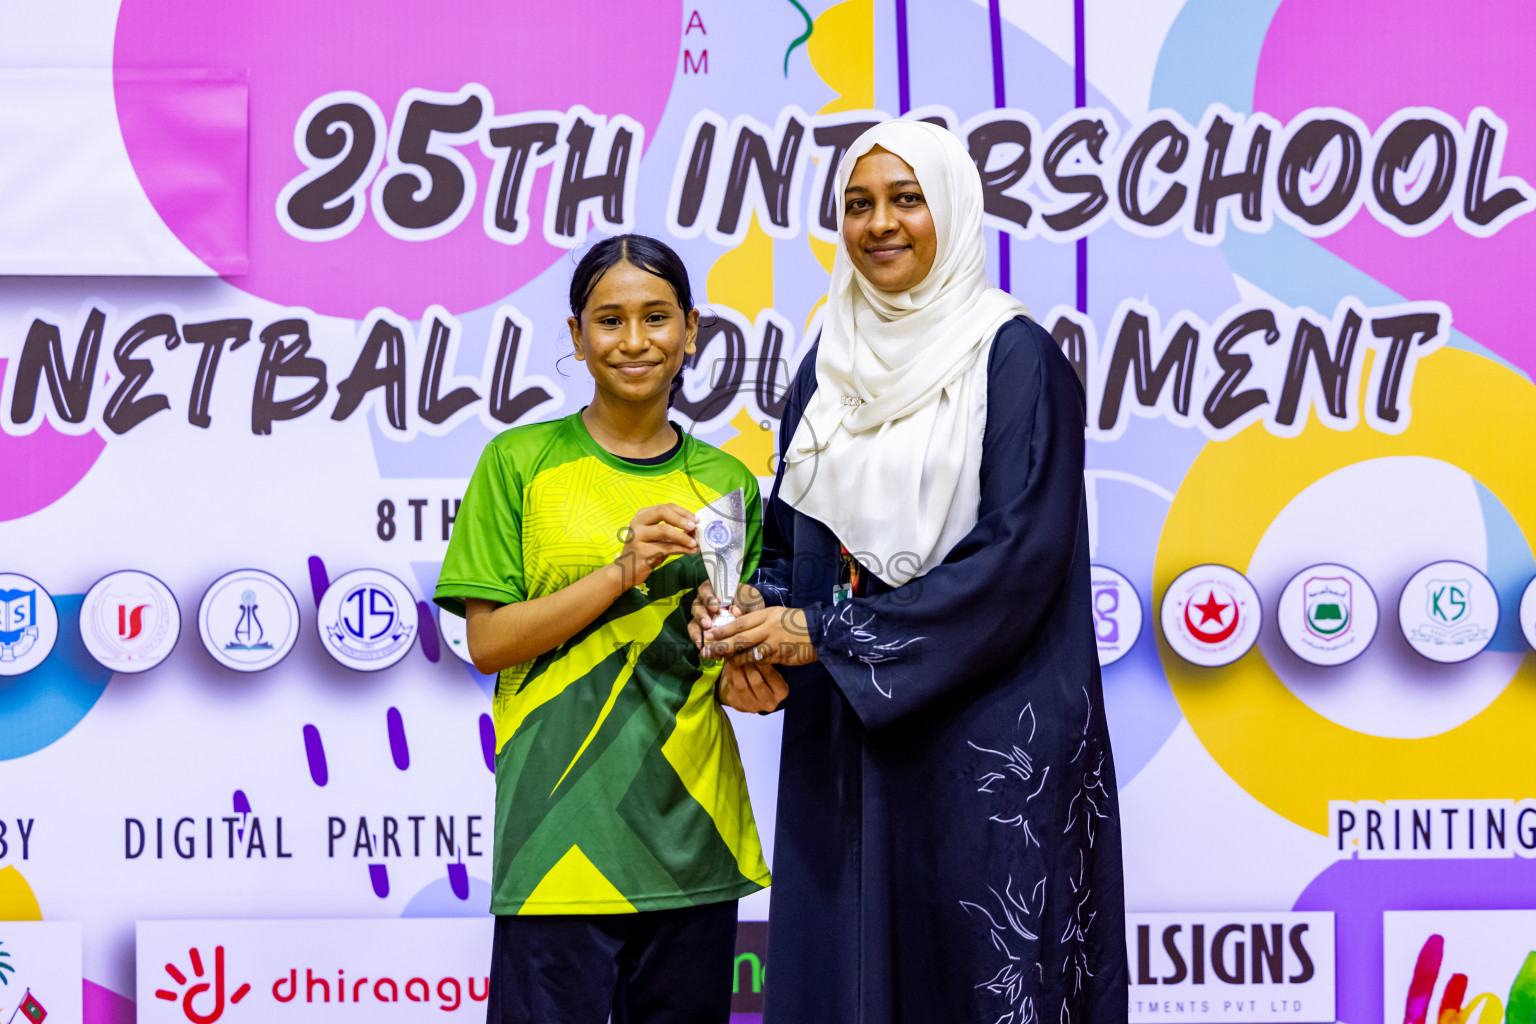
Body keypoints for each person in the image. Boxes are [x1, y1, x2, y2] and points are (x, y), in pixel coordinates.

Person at [694, 120, 1128, 1023]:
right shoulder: (827, 368)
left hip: (985, 746)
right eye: (858, 204)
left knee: (975, 977)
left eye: (906, 199)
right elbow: (799, 547)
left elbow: (1017, 561)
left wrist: (819, 635)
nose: (880, 224)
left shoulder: (1015, 359)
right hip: (850, 741)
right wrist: (749, 624)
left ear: (955, 210)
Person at [435, 234, 771, 1024]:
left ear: (692, 330)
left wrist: (757, 668)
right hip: (555, 841)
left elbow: (730, 674)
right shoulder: (518, 461)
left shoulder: (728, 483)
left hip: (694, 840)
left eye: (656, 318)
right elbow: (488, 644)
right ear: (577, 336)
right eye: (609, 320)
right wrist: (621, 573)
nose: (633, 341)